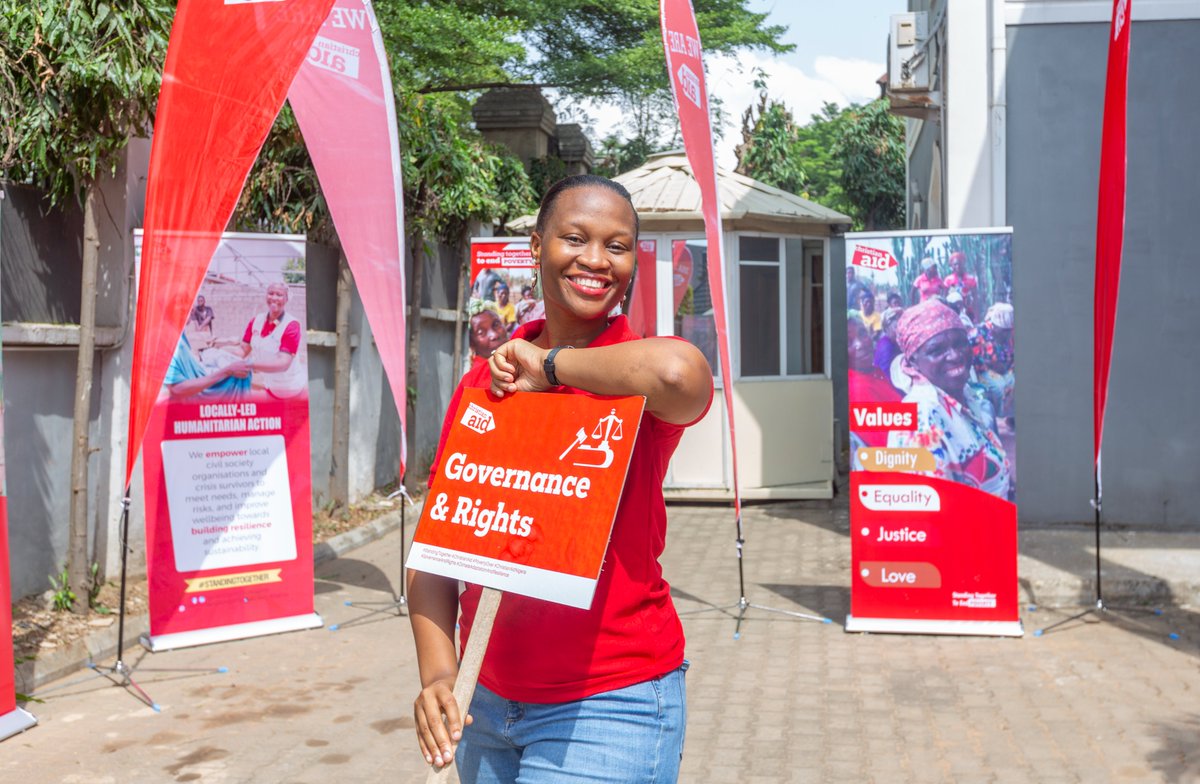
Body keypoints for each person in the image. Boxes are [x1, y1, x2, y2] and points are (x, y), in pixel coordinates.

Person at [410, 174, 713, 783]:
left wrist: (549, 367)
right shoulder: (481, 384)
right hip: (485, 705)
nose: (596, 260)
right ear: (536, 243)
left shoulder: (638, 376)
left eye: (618, 245)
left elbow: (682, 376)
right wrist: (440, 675)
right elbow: (437, 550)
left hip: (610, 705)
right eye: (574, 238)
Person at [887, 299, 1012, 500]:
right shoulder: (922, 421)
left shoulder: (961, 395)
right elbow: (936, 516)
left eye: (960, 343)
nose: (955, 356)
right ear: (912, 361)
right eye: (937, 350)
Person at [215, 282, 306, 399]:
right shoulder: (256, 321)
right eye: (270, 293)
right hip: (269, 386)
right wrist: (220, 350)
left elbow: (283, 363)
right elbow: (243, 349)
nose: (274, 298)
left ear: (286, 299)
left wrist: (250, 365)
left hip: (290, 389)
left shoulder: (291, 325)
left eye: (279, 295)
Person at [162, 333, 251, 400]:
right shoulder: (164, 337)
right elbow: (177, 389)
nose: (192, 310)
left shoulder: (180, 333)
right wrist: (227, 371)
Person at [973, 302, 1015, 422]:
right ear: (994, 326)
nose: (1006, 334)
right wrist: (989, 364)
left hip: (1007, 367)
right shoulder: (979, 333)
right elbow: (973, 357)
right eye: (1003, 331)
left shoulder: (1011, 332)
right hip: (986, 369)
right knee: (1000, 387)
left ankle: (1011, 417)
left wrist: (1008, 366)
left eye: (1008, 331)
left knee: (1013, 383)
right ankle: (998, 416)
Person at [943, 251, 979, 320]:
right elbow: (945, 298)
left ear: (963, 264)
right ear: (952, 266)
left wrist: (976, 314)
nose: (958, 266)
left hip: (968, 311)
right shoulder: (948, 280)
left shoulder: (971, 279)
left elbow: (975, 298)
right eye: (955, 264)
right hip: (953, 311)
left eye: (960, 264)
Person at [873, 306, 903, 376]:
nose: (900, 331)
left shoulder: (894, 342)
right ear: (886, 328)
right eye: (896, 327)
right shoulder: (886, 346)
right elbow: (885, 374)